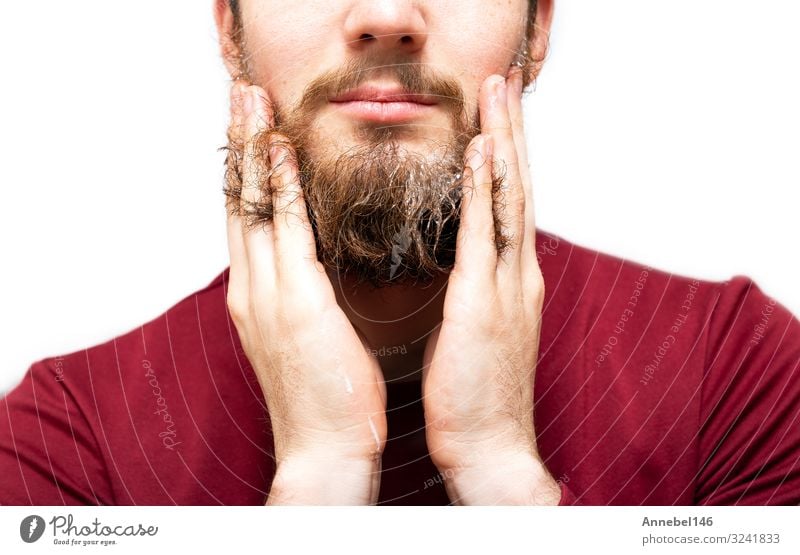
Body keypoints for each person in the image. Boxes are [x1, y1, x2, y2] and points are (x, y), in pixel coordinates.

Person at [1, 0, 798, 506]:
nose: (386, 15)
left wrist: (498, 467)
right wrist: (319, 476)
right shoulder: (67, 450)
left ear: (539, 25)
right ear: (228, 30)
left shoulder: (737, 374)